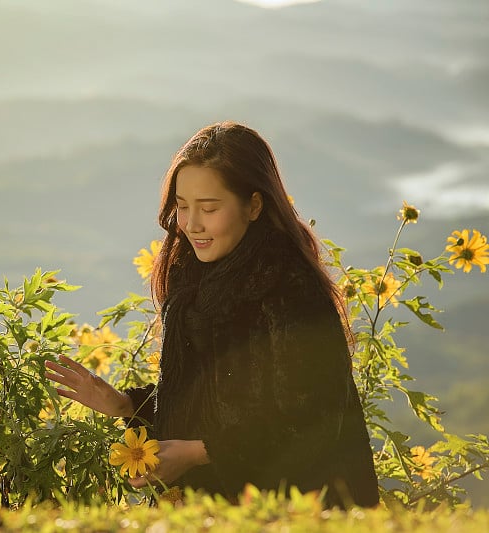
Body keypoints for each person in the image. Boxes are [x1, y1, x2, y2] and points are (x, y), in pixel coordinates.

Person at [45, 121, 380, 508]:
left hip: (293, 509)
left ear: (254, 205)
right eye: (182, 207)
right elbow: (213, 402)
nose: (191, 224)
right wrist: (126, 405)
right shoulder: (195, 280)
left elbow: (312, 417)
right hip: (211, 506)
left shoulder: (290, 288)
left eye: (209, 208)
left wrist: (199, 452)